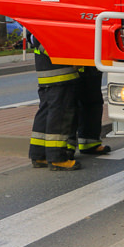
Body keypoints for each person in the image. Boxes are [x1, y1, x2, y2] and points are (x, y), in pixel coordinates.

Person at [28, 34, 81, 171]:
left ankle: (39, 155)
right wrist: (70, 59)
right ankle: (57, 158)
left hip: (47, 73)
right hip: (60, 73)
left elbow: (35, 39)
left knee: (45, 112)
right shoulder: (47, 16)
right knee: (60, 115)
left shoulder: (35, 16)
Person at [72, 66, 111, 155]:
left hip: (91, 65)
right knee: (71, 105)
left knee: (93, 102)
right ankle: (65, 150)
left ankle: (90, 143)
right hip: (75, 66)